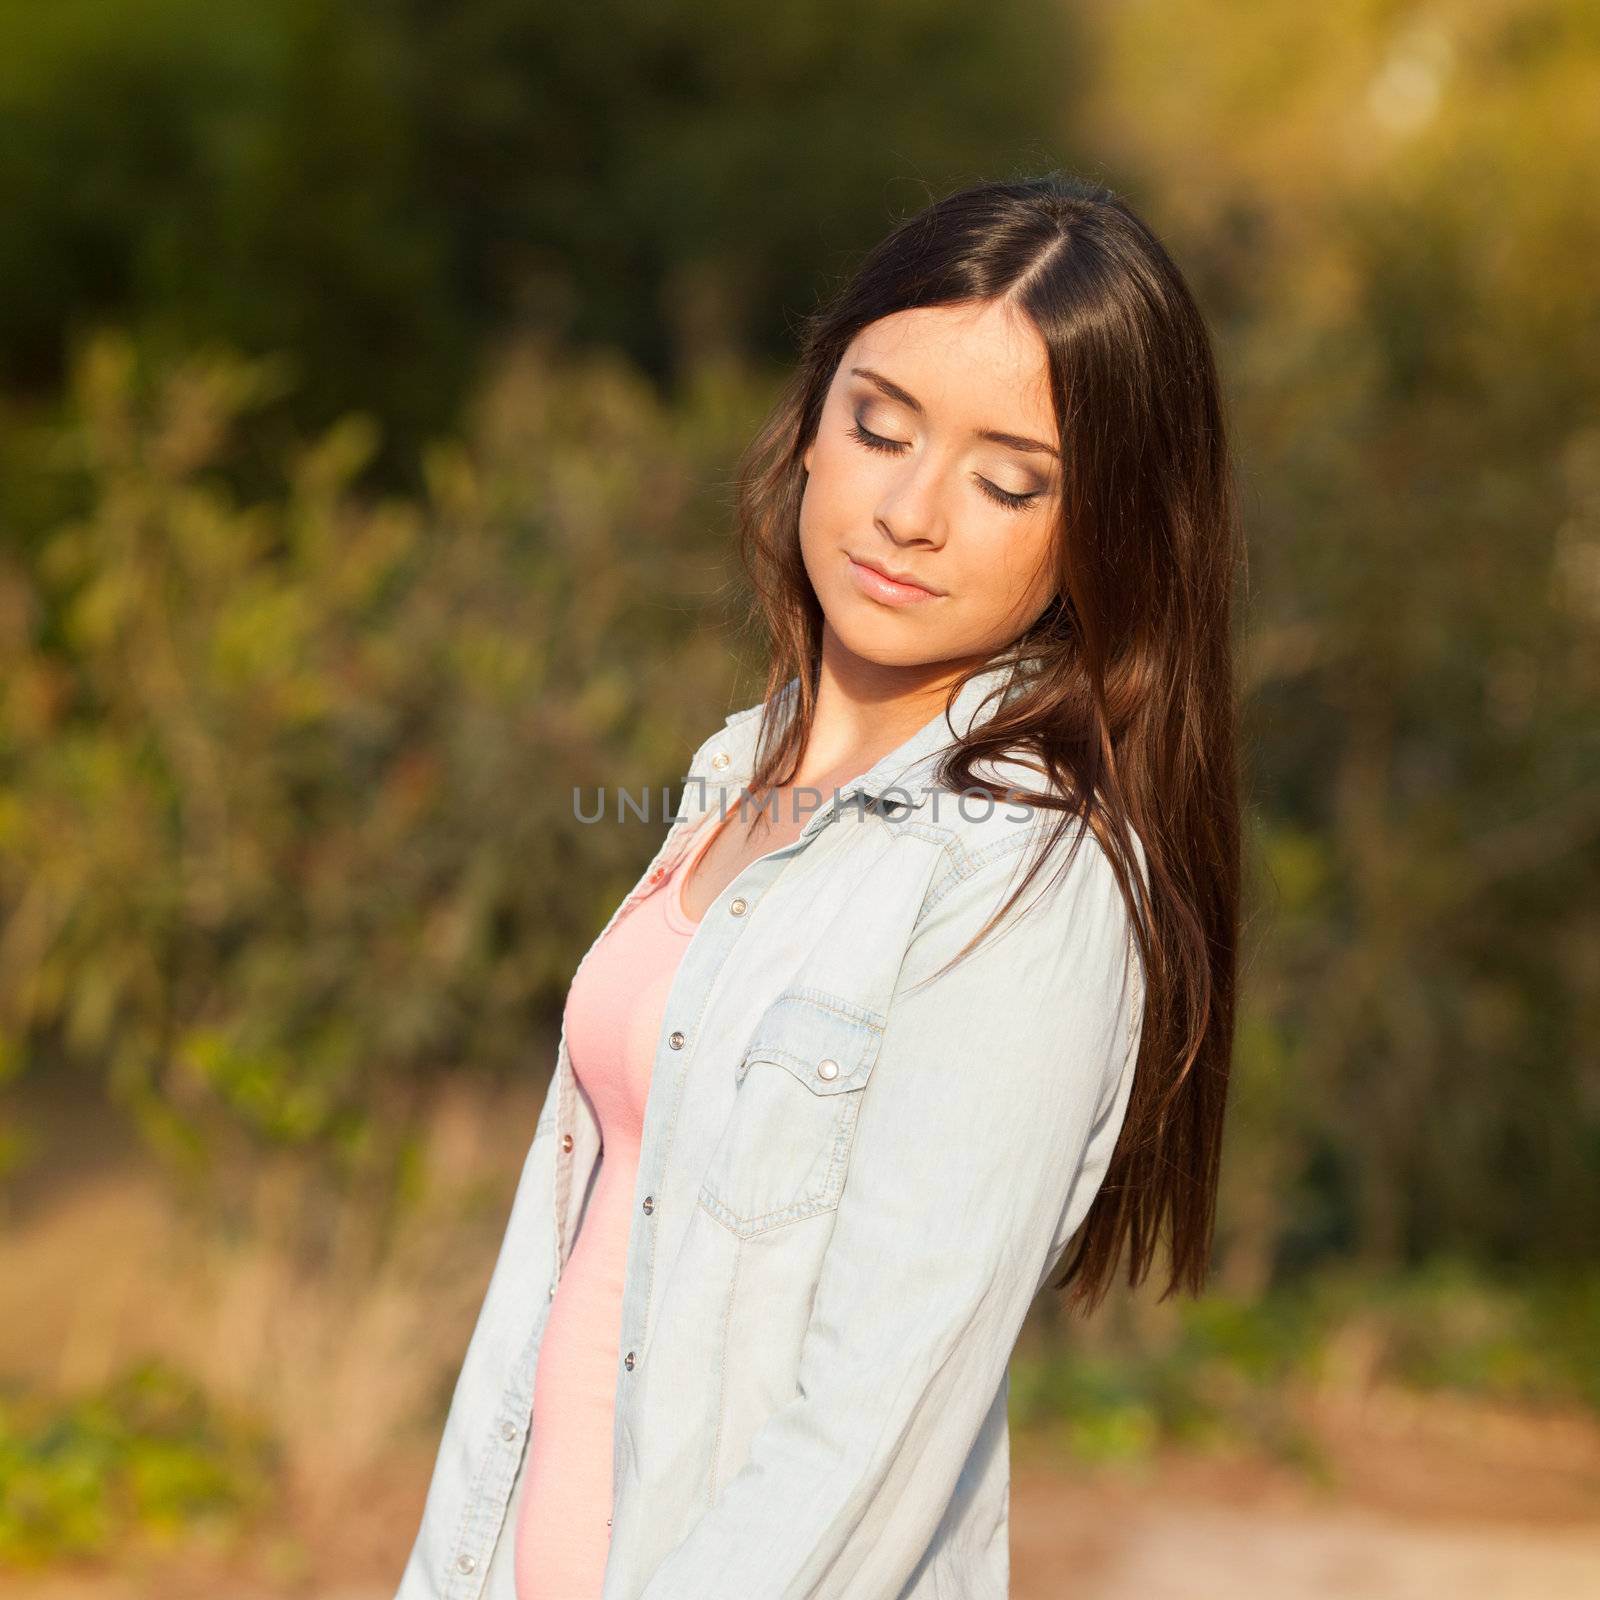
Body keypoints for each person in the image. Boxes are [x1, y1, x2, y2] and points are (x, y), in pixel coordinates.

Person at [395, 170, 1244, 1600]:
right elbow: (564, 1287)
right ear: (812, 424)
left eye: (1008, 479)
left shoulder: (1024, 873)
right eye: (881, 424)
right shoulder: (738, 774)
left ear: (1103, 528)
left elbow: (874, 1430)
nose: (913, 511)